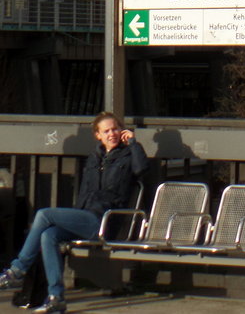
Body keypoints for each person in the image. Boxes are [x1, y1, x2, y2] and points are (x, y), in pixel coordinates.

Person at [0, 112, 148, 314]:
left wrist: (133, 143)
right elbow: (85, 192)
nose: (112, 134)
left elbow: (141, 169)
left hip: (105, 220)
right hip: (86, 216)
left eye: (115, 129)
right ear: (98, 135)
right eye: (106, 131)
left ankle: (18, 269)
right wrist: (72, 219)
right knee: (48, 235)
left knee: (44, 214)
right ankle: (56, 298)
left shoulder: (128, 155)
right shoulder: (95, 158)